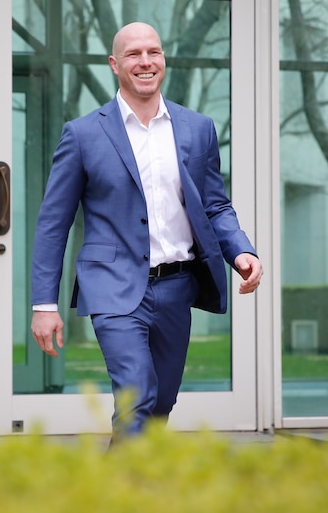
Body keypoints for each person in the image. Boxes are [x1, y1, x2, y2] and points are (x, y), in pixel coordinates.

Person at [30, 22, 262, 441]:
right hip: (113, 286)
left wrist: (240, 250)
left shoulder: (197, 129)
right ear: (115, 65)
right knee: (136, 395)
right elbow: (53, 223)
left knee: (159, 405)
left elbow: (214, 205)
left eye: (153, 52)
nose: (145, 62)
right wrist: (44, 303)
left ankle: (133, 482)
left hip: (176, 286)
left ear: (163, 61)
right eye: (134, 54)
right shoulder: (82, 135)